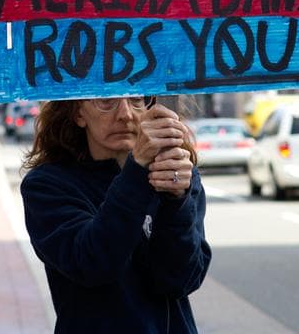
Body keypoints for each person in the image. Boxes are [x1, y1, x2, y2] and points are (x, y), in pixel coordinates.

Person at [20, 96, 211, 333]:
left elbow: (180, 280)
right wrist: (137, 170)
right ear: (78, 113)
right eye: (106, 101)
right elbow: (94, 263)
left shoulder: (175, 173)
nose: (126, 114)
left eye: (136, 99)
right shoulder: (47, 185)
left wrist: (176, 201)